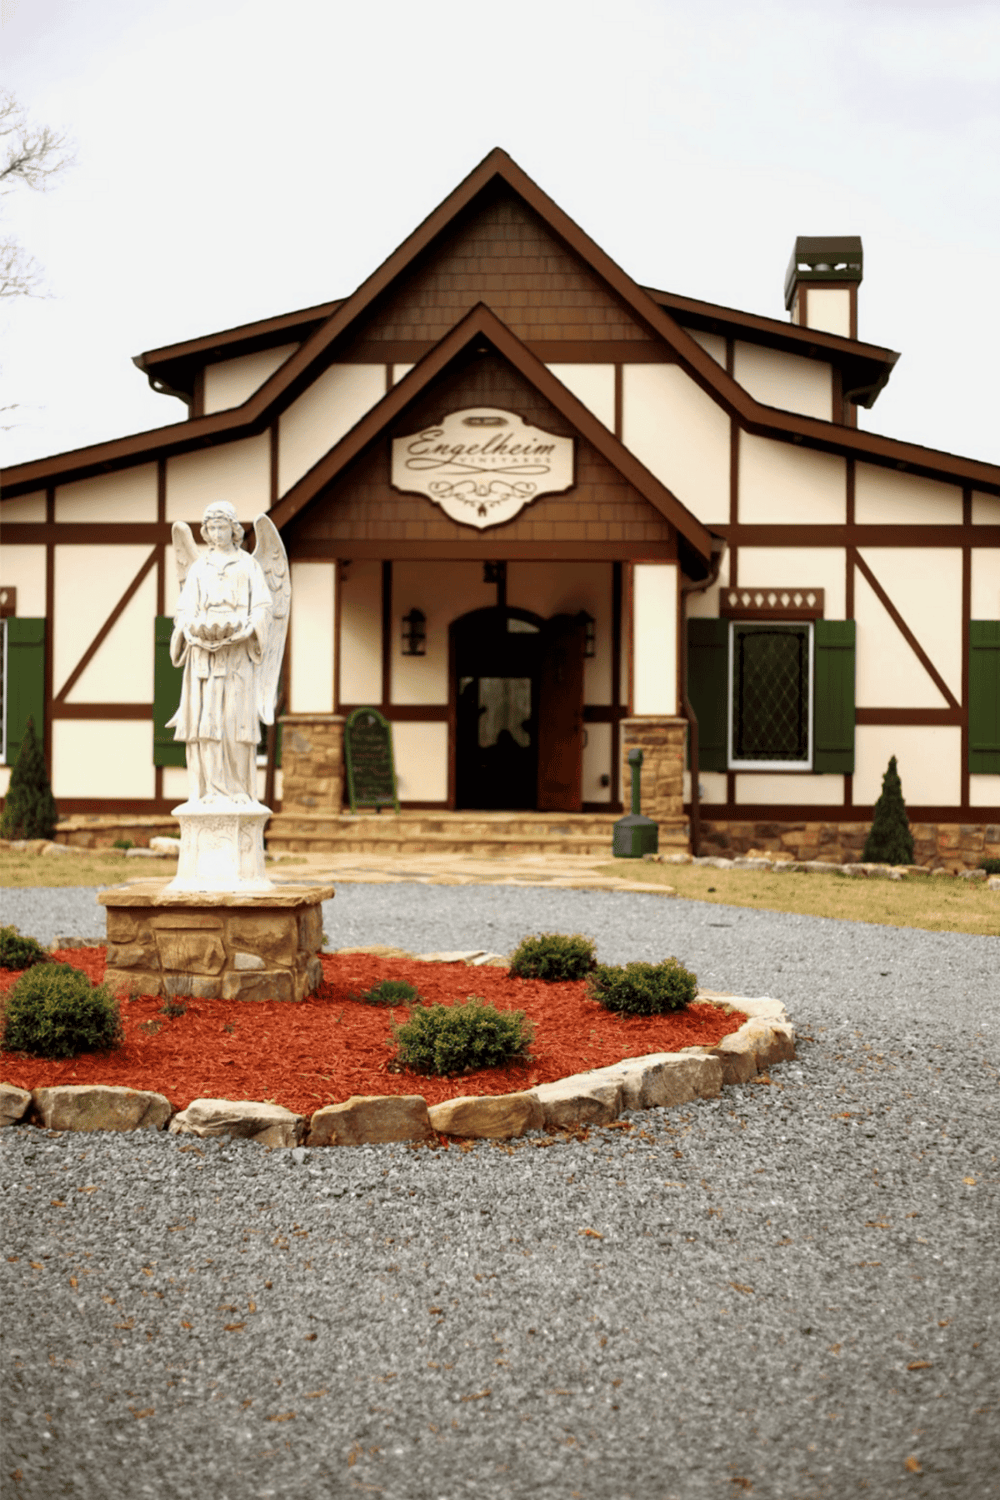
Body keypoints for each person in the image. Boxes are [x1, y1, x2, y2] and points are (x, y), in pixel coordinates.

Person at [167, 502, 273, 804]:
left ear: (233, 529)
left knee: (233, 720)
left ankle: (238, 789)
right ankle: (210, 790)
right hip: (205, 657)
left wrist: (249, 627)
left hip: (237, 654)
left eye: (221, 527)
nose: (216, 533)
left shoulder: (248, 565)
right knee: (207, 721)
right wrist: (188, 628)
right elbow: (185, 608)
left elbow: (263, 606)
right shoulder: (200, 567)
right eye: (211, 528)